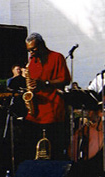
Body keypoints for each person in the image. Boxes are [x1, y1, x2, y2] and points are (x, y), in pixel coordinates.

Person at [18, 33, 71, 163]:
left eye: (33, 49)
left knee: (53, 148)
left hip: (52, 108)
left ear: (42, 45)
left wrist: (45, 83)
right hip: (35, 110)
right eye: (29, 50)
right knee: (31, 146)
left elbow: (65, 79)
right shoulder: (32, 62)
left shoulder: (57, 57)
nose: (31, 53)